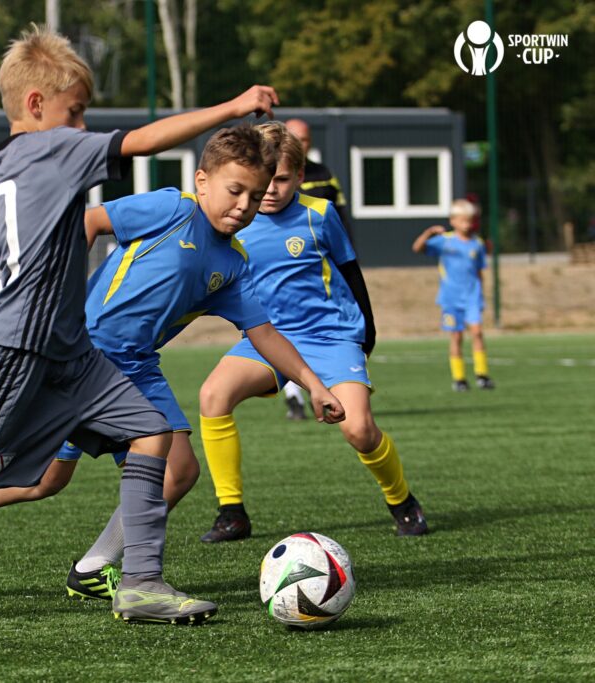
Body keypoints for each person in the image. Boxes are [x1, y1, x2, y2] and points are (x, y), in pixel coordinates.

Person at [0, 23, 282, 629]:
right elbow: (143, 141)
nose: (84, 127)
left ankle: (140, 584)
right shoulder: (54, 150)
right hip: (16, 351)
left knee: (150, 433)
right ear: (36, 105)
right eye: (77, 112)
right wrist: (234, 106)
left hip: (73, 353)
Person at [0, 124, 346, 603]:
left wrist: (313, 385)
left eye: (254, 197)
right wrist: (58, 294)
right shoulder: (172, 209)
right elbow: (89, 222)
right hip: (80, 355)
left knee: (169, 472)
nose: (244, 206)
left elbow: (264, 332)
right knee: (42, 477)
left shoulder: (233, 264)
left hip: (136, 366)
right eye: (235, 191)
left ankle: (91, 566)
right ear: (202, 181)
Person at [199, 122, 428, 543]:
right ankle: (231, 512)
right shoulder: (235, 219)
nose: (270, 190)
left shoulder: (319, 214)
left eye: (282, 179)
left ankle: (402, 501)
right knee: (213, 396)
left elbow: (351, 273)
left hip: (331, 337)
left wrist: (366, 335)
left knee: (358, 430)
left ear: (301, 176)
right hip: (268, 338)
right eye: (264, 180)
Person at [278, 118, 355, 421]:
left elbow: (341, 215)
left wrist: (347, 254)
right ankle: (294, 397)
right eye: (294, 138)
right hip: (286, 264)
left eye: (305, 139)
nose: (301, 144)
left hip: (320, 265)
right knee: (283, 331)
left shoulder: (324, 174)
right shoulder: (268, 174)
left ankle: (328, 386)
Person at [412, 199, 495, 391]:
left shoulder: (477, 244)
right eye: (463, 220)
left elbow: (479, 271)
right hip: (450, 298)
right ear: (453, 221)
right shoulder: (445, 241)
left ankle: (482, 375)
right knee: (456, 336)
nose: (467, 224)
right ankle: (459, 379)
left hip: (472, 296)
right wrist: (428, 233)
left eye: (470, 220)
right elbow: (417, 248)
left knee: (477, 332)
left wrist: (481, 293)